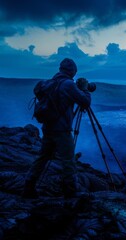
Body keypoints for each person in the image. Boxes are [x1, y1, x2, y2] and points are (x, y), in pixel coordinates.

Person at [22, 58, 91, 198]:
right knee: (68, 161)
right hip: (62, 130)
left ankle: (28, 187)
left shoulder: (49, 83)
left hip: (48, 127)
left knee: (42, 158)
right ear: (72, 71)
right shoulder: (68, 85)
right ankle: (70, 193)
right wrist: (84, 89)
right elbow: (85, 102)